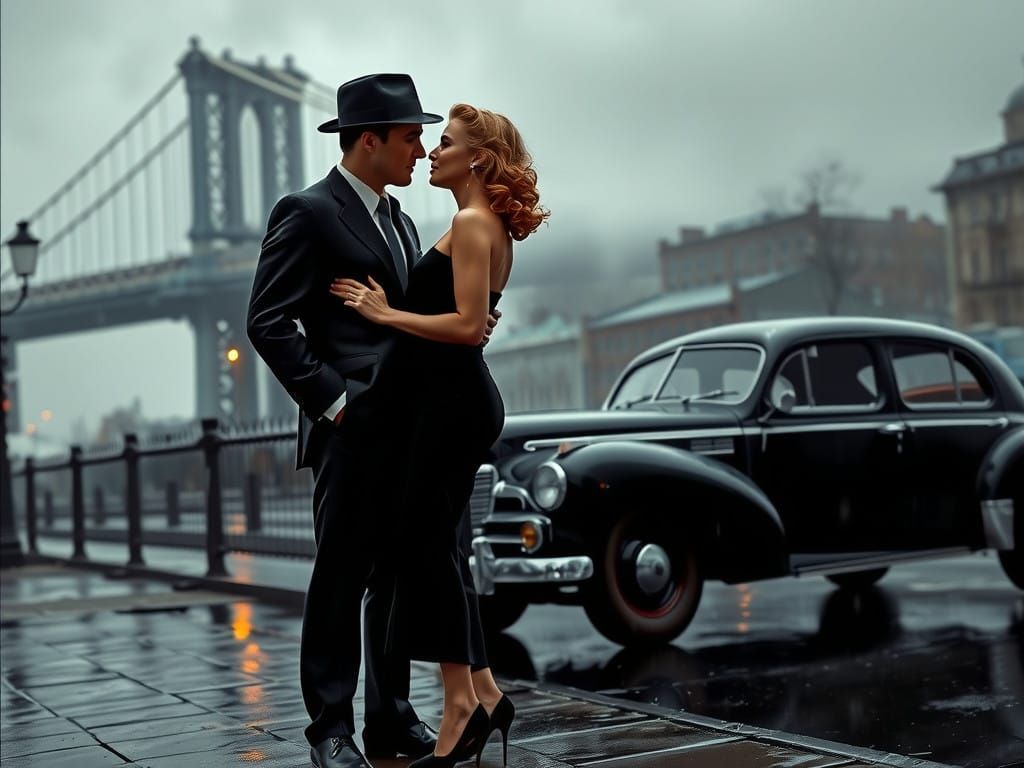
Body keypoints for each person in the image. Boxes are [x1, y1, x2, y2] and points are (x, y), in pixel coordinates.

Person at [247, 74, 496, 768]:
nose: (421, 150)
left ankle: (391, 718)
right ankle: (331, 730)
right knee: (341, 575)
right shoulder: (307, 211)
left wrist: (469, 322)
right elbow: (267, 320)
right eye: (410, 137)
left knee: (398, 577)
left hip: (411, 428)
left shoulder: (402, 220)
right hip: (350, 429)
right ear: (368, 142)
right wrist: (336, 402)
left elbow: (410, 318)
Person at [330, 102, 549, 768]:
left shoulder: (472, 222)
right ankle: (483, 691)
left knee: (426, 547)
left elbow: (466, 326)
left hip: (454, 406)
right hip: (454, 403)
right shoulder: (480, 224)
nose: (431, 151)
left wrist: (383, 312)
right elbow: (468, 320)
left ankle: (460, 705)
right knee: (439, 551)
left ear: (477, 159)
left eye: (445, 143)